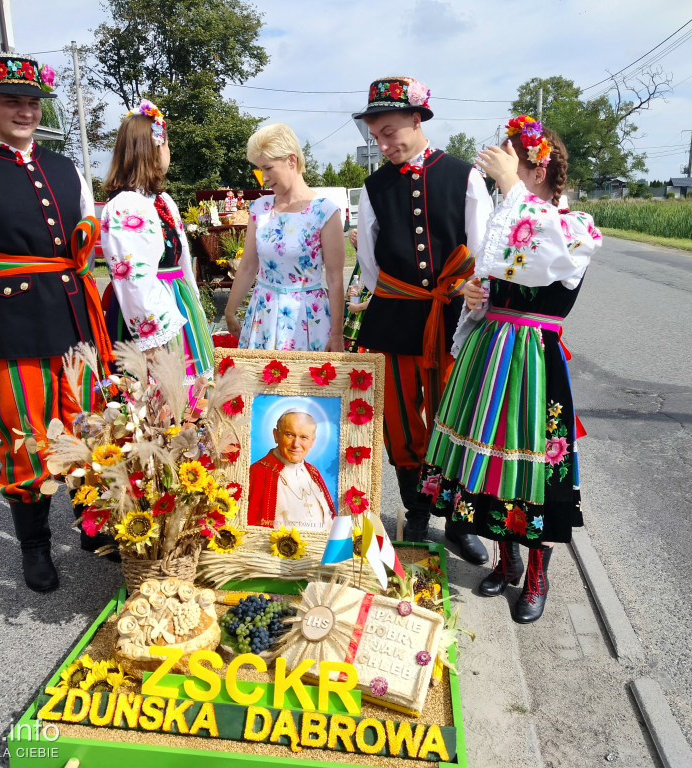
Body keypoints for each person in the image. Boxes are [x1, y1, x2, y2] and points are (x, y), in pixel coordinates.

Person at [0, 52, 114, 593]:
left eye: (31, 101)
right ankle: (34, 548)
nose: (24, 110)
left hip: (72, 311)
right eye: (11, 100)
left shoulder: (66, 166)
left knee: (88, 423)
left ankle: (91, 525)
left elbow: (85, 233)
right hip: (8, 321)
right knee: (26, 432)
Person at [422, 116, 603, 623]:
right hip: (489, 351)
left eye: (514, 161)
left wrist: (508, 186)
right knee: (493, 464)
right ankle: (509, 559)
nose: (503, 171)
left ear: (538, 169)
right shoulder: (511, 223)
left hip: (531, 357)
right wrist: (474, 295)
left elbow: (546, 253)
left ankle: (539, 573)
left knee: (532, 466)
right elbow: (492, 275)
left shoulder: (574, 227)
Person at [352, 76, 493, 564]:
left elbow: (483, 252)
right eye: (376, 135)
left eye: (389, 131)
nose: (383, 143)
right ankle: (416, 509)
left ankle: (457, 519)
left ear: (417, 119)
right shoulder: (373, 187)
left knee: (455, 417)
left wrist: (468, 299)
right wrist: (402, 293)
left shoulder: (465, 176)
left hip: (455, 315)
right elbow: (370, 266)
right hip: (396, 314)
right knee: (400, 419)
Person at [99, 100, 215, 382]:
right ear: (154, 148)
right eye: (167, 145)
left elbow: (183, 260)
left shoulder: (161, 200)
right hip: (150, 311)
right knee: (156, 395)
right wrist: (152, 342)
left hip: (176, 300)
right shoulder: (126, 205)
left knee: (189, 398)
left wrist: (193, 305)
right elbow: (134, 279)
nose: (169, 153)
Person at [224, 123, 345, 352]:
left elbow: (335, 277)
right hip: (263, 316)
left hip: (308, 319)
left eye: (268, 168)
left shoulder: (325, 212)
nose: (264, 178)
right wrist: (230, 311)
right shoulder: (259, 209)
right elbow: (248, 266)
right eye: (260, 170)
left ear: (291, 160)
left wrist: (337, 334)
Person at [248, 409, 336, 531]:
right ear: (276, 435)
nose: (296, 444)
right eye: (289, 435)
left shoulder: (313, 473)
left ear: (312, 441)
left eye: (304, 437)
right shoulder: (258, 472)